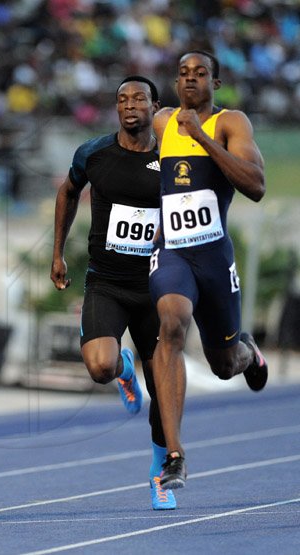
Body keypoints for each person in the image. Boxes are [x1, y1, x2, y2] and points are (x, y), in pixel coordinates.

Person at [51, 76, 177, 510]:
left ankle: (159, 475)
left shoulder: (173, 155)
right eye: (122, 99)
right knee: (100, 368)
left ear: (155, 106)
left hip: (159, 286)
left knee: (164, 391)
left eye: (138, 98)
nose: (129, 105)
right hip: (106, 282)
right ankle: (124, 366)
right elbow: (68, 191)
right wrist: (58, 254)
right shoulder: (94, 153)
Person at [149, 51, 268, 489]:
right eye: (183, 74)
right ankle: (175, 455)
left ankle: (247, 351)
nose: (190, 80)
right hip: (173, 253)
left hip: (215, 256)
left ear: (215, 83)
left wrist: (201, 137)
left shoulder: (230, 123)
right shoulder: (162, 122)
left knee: (222, 364)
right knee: (172, 324)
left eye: (200, 74)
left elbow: (255, 185)